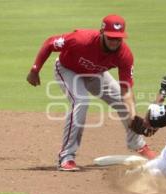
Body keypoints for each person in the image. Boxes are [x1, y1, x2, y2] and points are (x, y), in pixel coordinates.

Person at [26, 14, 156, 171]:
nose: (115, 42)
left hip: (95, 74)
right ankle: (66, 157)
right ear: (102, 33)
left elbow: (126, 90)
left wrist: (133, 117)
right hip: (68, 70)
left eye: (118, 38)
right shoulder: (80, 39)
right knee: (81, 101)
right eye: (111, 37)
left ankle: (138, 145)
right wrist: (35, 69)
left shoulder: (124, 55)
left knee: (123, 103)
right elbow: (49, 43)